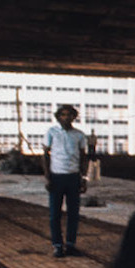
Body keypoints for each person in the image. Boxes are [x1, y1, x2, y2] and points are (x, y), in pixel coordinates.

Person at [43, 104, 88, 257]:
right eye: (63, 115)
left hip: (73, 177)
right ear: (58, 117)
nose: (66, 117)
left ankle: (70, 244)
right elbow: (44, 155)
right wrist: (47, 177)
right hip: (56, 177)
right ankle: (57, 245)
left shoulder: (79, 135)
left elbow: (83, 157)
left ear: (74, 117)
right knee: (55, 213)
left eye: (69, 115)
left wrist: (84, 178)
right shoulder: (52, 132)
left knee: (73, 213)